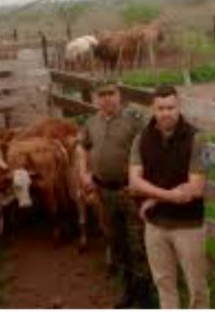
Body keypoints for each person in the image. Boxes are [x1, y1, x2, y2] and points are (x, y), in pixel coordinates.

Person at [129, 84, 210, 309]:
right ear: (153, 109)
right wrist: (168, 195)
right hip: (155, 226)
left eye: (170, 107)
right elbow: (134, 182)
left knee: (197, 287)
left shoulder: (197, 138)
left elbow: (196, 188)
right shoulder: (142, 138)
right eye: (161, 108)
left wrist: (153, 198)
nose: (166, 113)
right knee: (164, 284)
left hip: (188, 225)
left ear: (179, 106)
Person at [79, 78, 155, 308]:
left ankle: (145, 297)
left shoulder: (134, 120)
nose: (107, 99)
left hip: (129, 192)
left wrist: (142, 182)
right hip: (104, 192)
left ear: (119, 95)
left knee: (137, 244)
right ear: (95, 99)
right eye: (102, 95)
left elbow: (151, 149)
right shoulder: (92, 122)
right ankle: (127, 291)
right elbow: (83, 146)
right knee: (116, 242)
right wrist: (84, 173)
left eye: (111, 94)